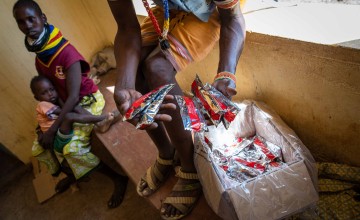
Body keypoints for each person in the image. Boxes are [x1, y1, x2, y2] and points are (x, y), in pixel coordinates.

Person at [107, 0, 246, 219]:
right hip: (169, 8)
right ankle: (166, 153)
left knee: (157, 67)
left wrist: (226, 74)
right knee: (134, 73)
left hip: (208, 11)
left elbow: (232, 18)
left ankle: (191, 169)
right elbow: (126, 27)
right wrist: (125, 85)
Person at [13, 0, 128, 208]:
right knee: (41, 147)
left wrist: (54, 127)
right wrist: (46, 123)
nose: (27, 25)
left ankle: (118, 178)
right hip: (65, 103)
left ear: (43, 18)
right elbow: (53, 93)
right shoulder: (41, 59)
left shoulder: (66, 52)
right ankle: (74, 173)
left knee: (71, 149)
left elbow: (75, 96)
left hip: (86, 99)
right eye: (21, 22)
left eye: (31, 18)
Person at [31, 75, 117, 154]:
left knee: (71, 111)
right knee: (69, 116)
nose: (50, 94)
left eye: (52, 89)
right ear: (37, 98)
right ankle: (101, 118)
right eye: (44, 93)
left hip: (61, 133)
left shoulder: (51, 103)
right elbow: (64, 112)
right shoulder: (42, 105)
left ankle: (100, 122)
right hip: (56, 141)